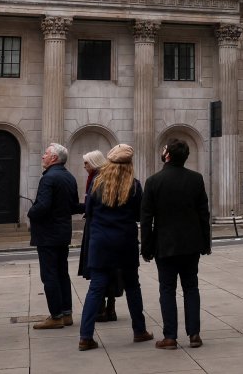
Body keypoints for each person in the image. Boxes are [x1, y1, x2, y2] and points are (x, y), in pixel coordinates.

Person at [77, 145, 151, 350]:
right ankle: (139, 330)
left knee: (96, 288)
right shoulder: (134, 186)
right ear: (129, 165)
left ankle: (85, 336)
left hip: (100, 242)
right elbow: (139, 215)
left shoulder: (97, 183)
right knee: (132, 286)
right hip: (125, 241)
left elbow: (89, 211)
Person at [141, 138, 211, 349]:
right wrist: (205, 243)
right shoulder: (196, 179)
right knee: (191, 287)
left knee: (167, 289)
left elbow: (146, 219)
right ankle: (194, 334)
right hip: (191, 244)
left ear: (168, 155)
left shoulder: (153, 181)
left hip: (165, 244)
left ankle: (170, 336)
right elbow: (203, 215)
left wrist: (146, 247)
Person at [27, 143, 79, 329]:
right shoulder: (69, 177)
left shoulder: (48, 178)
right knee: (62, 273)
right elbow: (73, 207)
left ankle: (56, 316)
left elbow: (43, 206)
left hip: (48, 234)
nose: (43, 156)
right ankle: (67, 313)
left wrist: (31, 212)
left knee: (49, 275)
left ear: (54, 158)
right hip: (63, 232)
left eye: (46, 154)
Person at [81, 150, 122, 324]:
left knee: (97, 273)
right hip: (110, 232)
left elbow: (90, 206)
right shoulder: (103, 177)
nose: (84, 167)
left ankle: (99, 311)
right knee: (111, 271)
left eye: (86, 163)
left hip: (97, 231)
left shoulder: (96, 180)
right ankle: (109, 307)